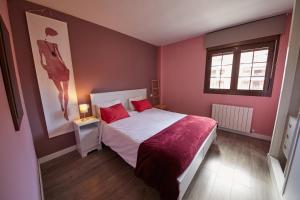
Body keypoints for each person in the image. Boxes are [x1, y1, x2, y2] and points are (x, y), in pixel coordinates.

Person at [37, 27, 70, 120]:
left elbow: (60, 57)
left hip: (61, 68)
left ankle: (66, 111)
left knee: (66, 92)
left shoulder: (55, 45)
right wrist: (42, 64)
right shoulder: (39, 42)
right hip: (53, 69)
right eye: (51, 33)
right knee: (60, 91)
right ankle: (61, 105)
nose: (52, 36)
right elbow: (40, 55)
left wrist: (66, 67)